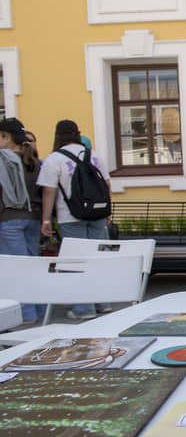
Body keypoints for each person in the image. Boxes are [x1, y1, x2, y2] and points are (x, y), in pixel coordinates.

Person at [37, 119, 112, 320]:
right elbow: (106, 184)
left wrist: (45, 220)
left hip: (70, 215)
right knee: (96, 259)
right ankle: (102, 303)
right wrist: (107, 211)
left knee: (76, 261)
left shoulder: (55, 159)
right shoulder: (93, 155)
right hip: (97, 214)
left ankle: (83, 308)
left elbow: (48, 191)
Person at [0, 118, 46, 322]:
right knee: (31, 267)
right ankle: (41, 311)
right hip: (34, 218)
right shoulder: (33, 161)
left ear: (5, 137)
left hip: (9, 218)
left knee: (16, 270)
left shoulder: (4, 160)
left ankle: (25, 314)